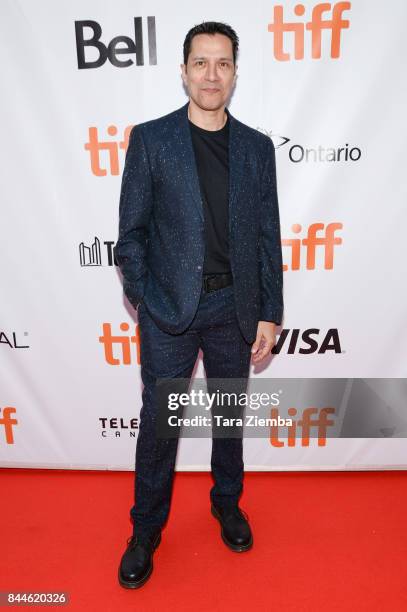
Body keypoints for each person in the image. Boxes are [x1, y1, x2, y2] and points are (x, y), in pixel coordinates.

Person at [114, 21, 284, 589]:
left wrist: (269, 309)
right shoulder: (152, 139)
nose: (212, 75)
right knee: (160, 428)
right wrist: (145, 297)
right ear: (184, 70)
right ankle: (145, 530)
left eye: (223, 63)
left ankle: (227, 504)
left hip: (235, 311)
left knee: (229, 419)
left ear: (236, 72)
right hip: (170, 314)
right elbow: (130, 234)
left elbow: (267, 237)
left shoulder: (258, 149)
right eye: (201, 63)